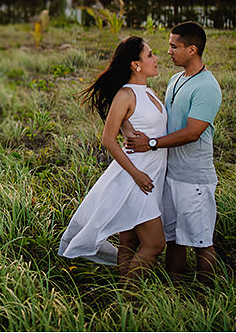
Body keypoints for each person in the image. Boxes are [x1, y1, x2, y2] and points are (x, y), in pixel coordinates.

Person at [58, 36, 167, 281]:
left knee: (128, 240)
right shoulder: (126, 95)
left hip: (152, 175)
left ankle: (122, 300)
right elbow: (108, 139)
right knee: (155, 243)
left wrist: (126, 125)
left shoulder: (149, 92)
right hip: (136, 177)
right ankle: (130, 296)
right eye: (150, 55)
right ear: (135, 64)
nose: (156, 59)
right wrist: (136, 174)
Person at [125, 21, 222, 283]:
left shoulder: (207, 87)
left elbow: (193, 132)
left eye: (173, 46)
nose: (168, 51)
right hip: (169, 175)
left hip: (194, 177)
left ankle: (206, 296)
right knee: (174, 238)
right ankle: (175, 289)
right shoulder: (176, 79)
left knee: (202, 241)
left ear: (192, 49)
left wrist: (152, 143)